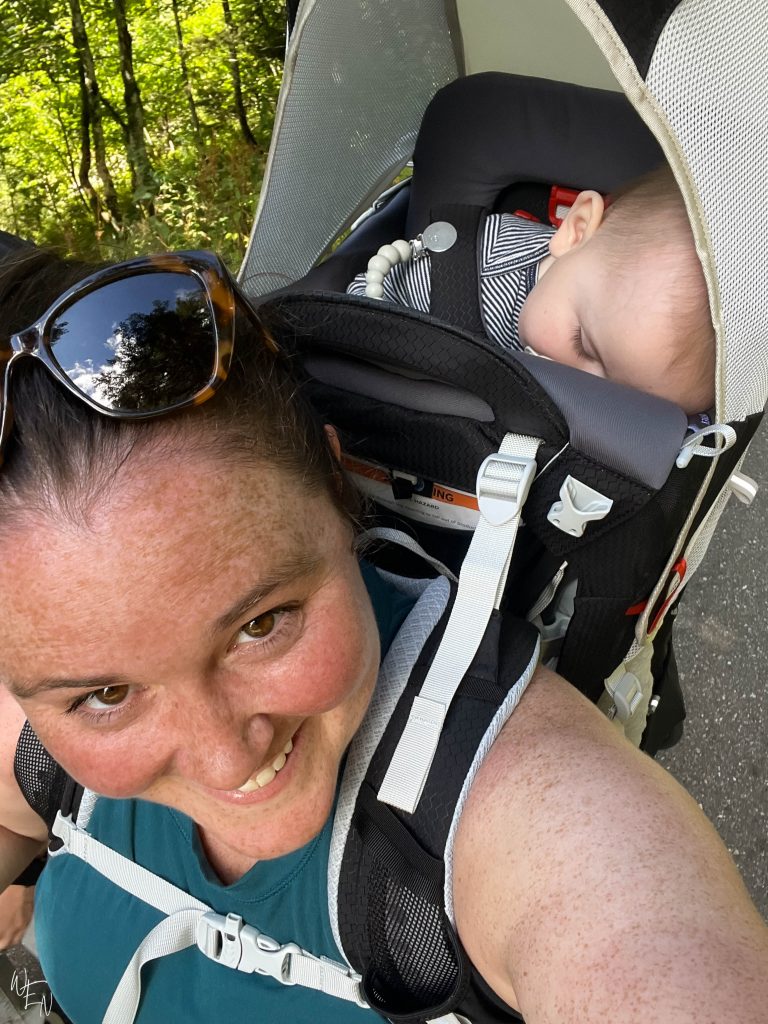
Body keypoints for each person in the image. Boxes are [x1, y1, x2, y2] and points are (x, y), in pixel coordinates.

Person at [0, 245, 765, 1024]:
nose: (227, 758)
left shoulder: (551, 824)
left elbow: (646, 945)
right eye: (105, 696)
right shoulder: (28, 738)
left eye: (260, 626)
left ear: (338, 491)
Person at [347, 166, 715, 414]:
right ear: (576, 231)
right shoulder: (466, 268)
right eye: (582, 343)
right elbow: (360, 308)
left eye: (625, 404)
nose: (581, 391)